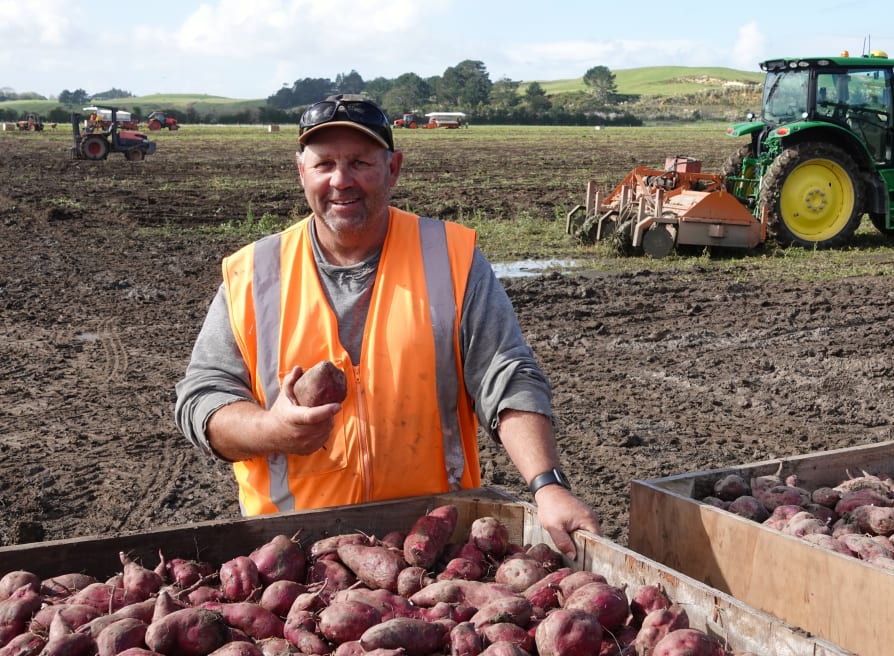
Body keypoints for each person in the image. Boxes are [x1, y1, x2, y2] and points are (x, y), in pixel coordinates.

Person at [174, 94, 600, 558]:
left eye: (360, 162)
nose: (341, 180)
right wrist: (272, 430)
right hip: (291, 558)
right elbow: (202, 399)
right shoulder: (254, 274)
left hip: (434, 546)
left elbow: (506, 374)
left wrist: (547, 485)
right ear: (301, 171)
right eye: (324, 164)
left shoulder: (449, 259)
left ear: (393, 168)